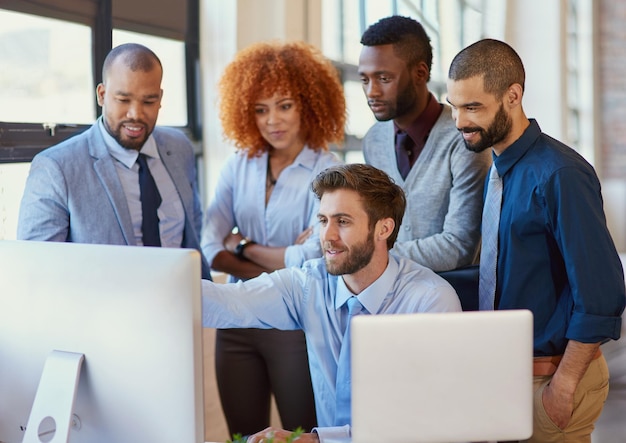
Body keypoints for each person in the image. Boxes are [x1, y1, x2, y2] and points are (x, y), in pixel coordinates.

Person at [201, 163, 462, 443]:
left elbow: (430, 419)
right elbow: (225, 303)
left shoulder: (430, 300)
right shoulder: (308, 284)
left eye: (343, 221)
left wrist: (316, 440)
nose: (327, 236)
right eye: (323, 220)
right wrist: (158, 283)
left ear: (384, 228)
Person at [446, 38, 626, 442]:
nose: (459, 121)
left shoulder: (559, 174)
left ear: (513, 96)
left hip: (555, 377)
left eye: (472, 107)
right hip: (510, 374)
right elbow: (505, 270)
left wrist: (563, 386)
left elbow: (602, 293)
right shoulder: (500, 169)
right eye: (454, 105)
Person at [200, 41, 345, 436]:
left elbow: (312, 256)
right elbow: (211, 245)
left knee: (302, 433)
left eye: (284, 105)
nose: (272, 120)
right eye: (261, 109)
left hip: (294, 320)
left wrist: (242, 245)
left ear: (308, 105)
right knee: (243, 435)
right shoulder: (239, 163)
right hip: (234, 319)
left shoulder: (329, 170)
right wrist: (279, 256)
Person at [16, 43, 210, 280]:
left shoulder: (179, 148)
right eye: (123, 100)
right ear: (102, 95)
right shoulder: (56, 168)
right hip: (104, 313)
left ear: (160, 98)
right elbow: (36, 272)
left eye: (148, 102)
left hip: (185, 305)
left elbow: (192, 227)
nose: (135, 114)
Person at [358, 15, 491, 272]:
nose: (371, 92)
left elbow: (459, 247)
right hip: (392, 296)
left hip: (455, 298)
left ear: (420, 73)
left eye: (384, 79)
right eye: (365, 79)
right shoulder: (373, 140)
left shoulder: (464, 138)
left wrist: (368, 253)